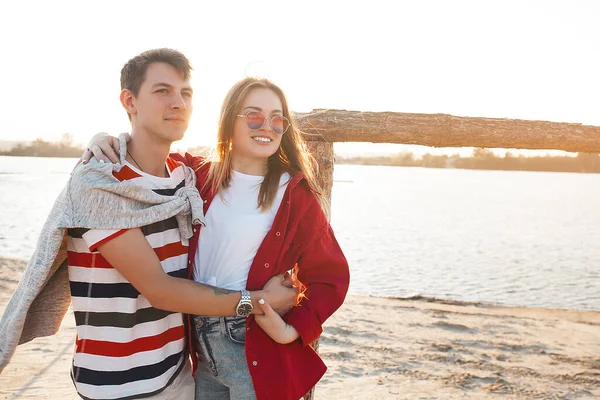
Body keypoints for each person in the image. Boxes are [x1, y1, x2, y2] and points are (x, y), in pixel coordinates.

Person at [0, 49, 297, 400]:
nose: (178, 103)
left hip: (179, 371)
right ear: (129, 100)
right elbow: (159, 289)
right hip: (120, 384)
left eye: (186, 93)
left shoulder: (184, 179)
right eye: (162, 91)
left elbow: (240, 160)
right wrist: (261, 301)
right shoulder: (100, 183)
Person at [86, 77, 350, 400]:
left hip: (251, 346)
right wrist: (108, 139)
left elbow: (331, 276)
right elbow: (148, 159)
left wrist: (291, 330)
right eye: (253, 116)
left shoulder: (294, 195)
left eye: (277, 119)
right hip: (197, 350)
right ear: (229, 121)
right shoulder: (198, 176)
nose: (266, 126)